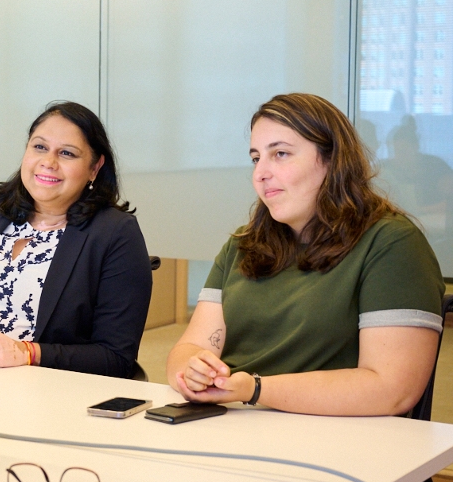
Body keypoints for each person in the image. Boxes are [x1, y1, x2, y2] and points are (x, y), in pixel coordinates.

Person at [167, 93, 444, 416]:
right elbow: (186, 350)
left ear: (332, 160)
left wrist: (255, 389)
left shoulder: (391, 244)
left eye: (281, 154)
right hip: (234, 421)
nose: (260, 173)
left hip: (332, 436)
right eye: (256, 158)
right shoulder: (243, 244)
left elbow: (392, 390)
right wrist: (194, 370)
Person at [0, 101, 153, 378]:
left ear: (94, 168)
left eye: (67, 153)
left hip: (38, 388)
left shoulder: (115, 233)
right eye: (39, 147)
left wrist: (27, 353)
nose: (48, 162)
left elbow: (115, 357)